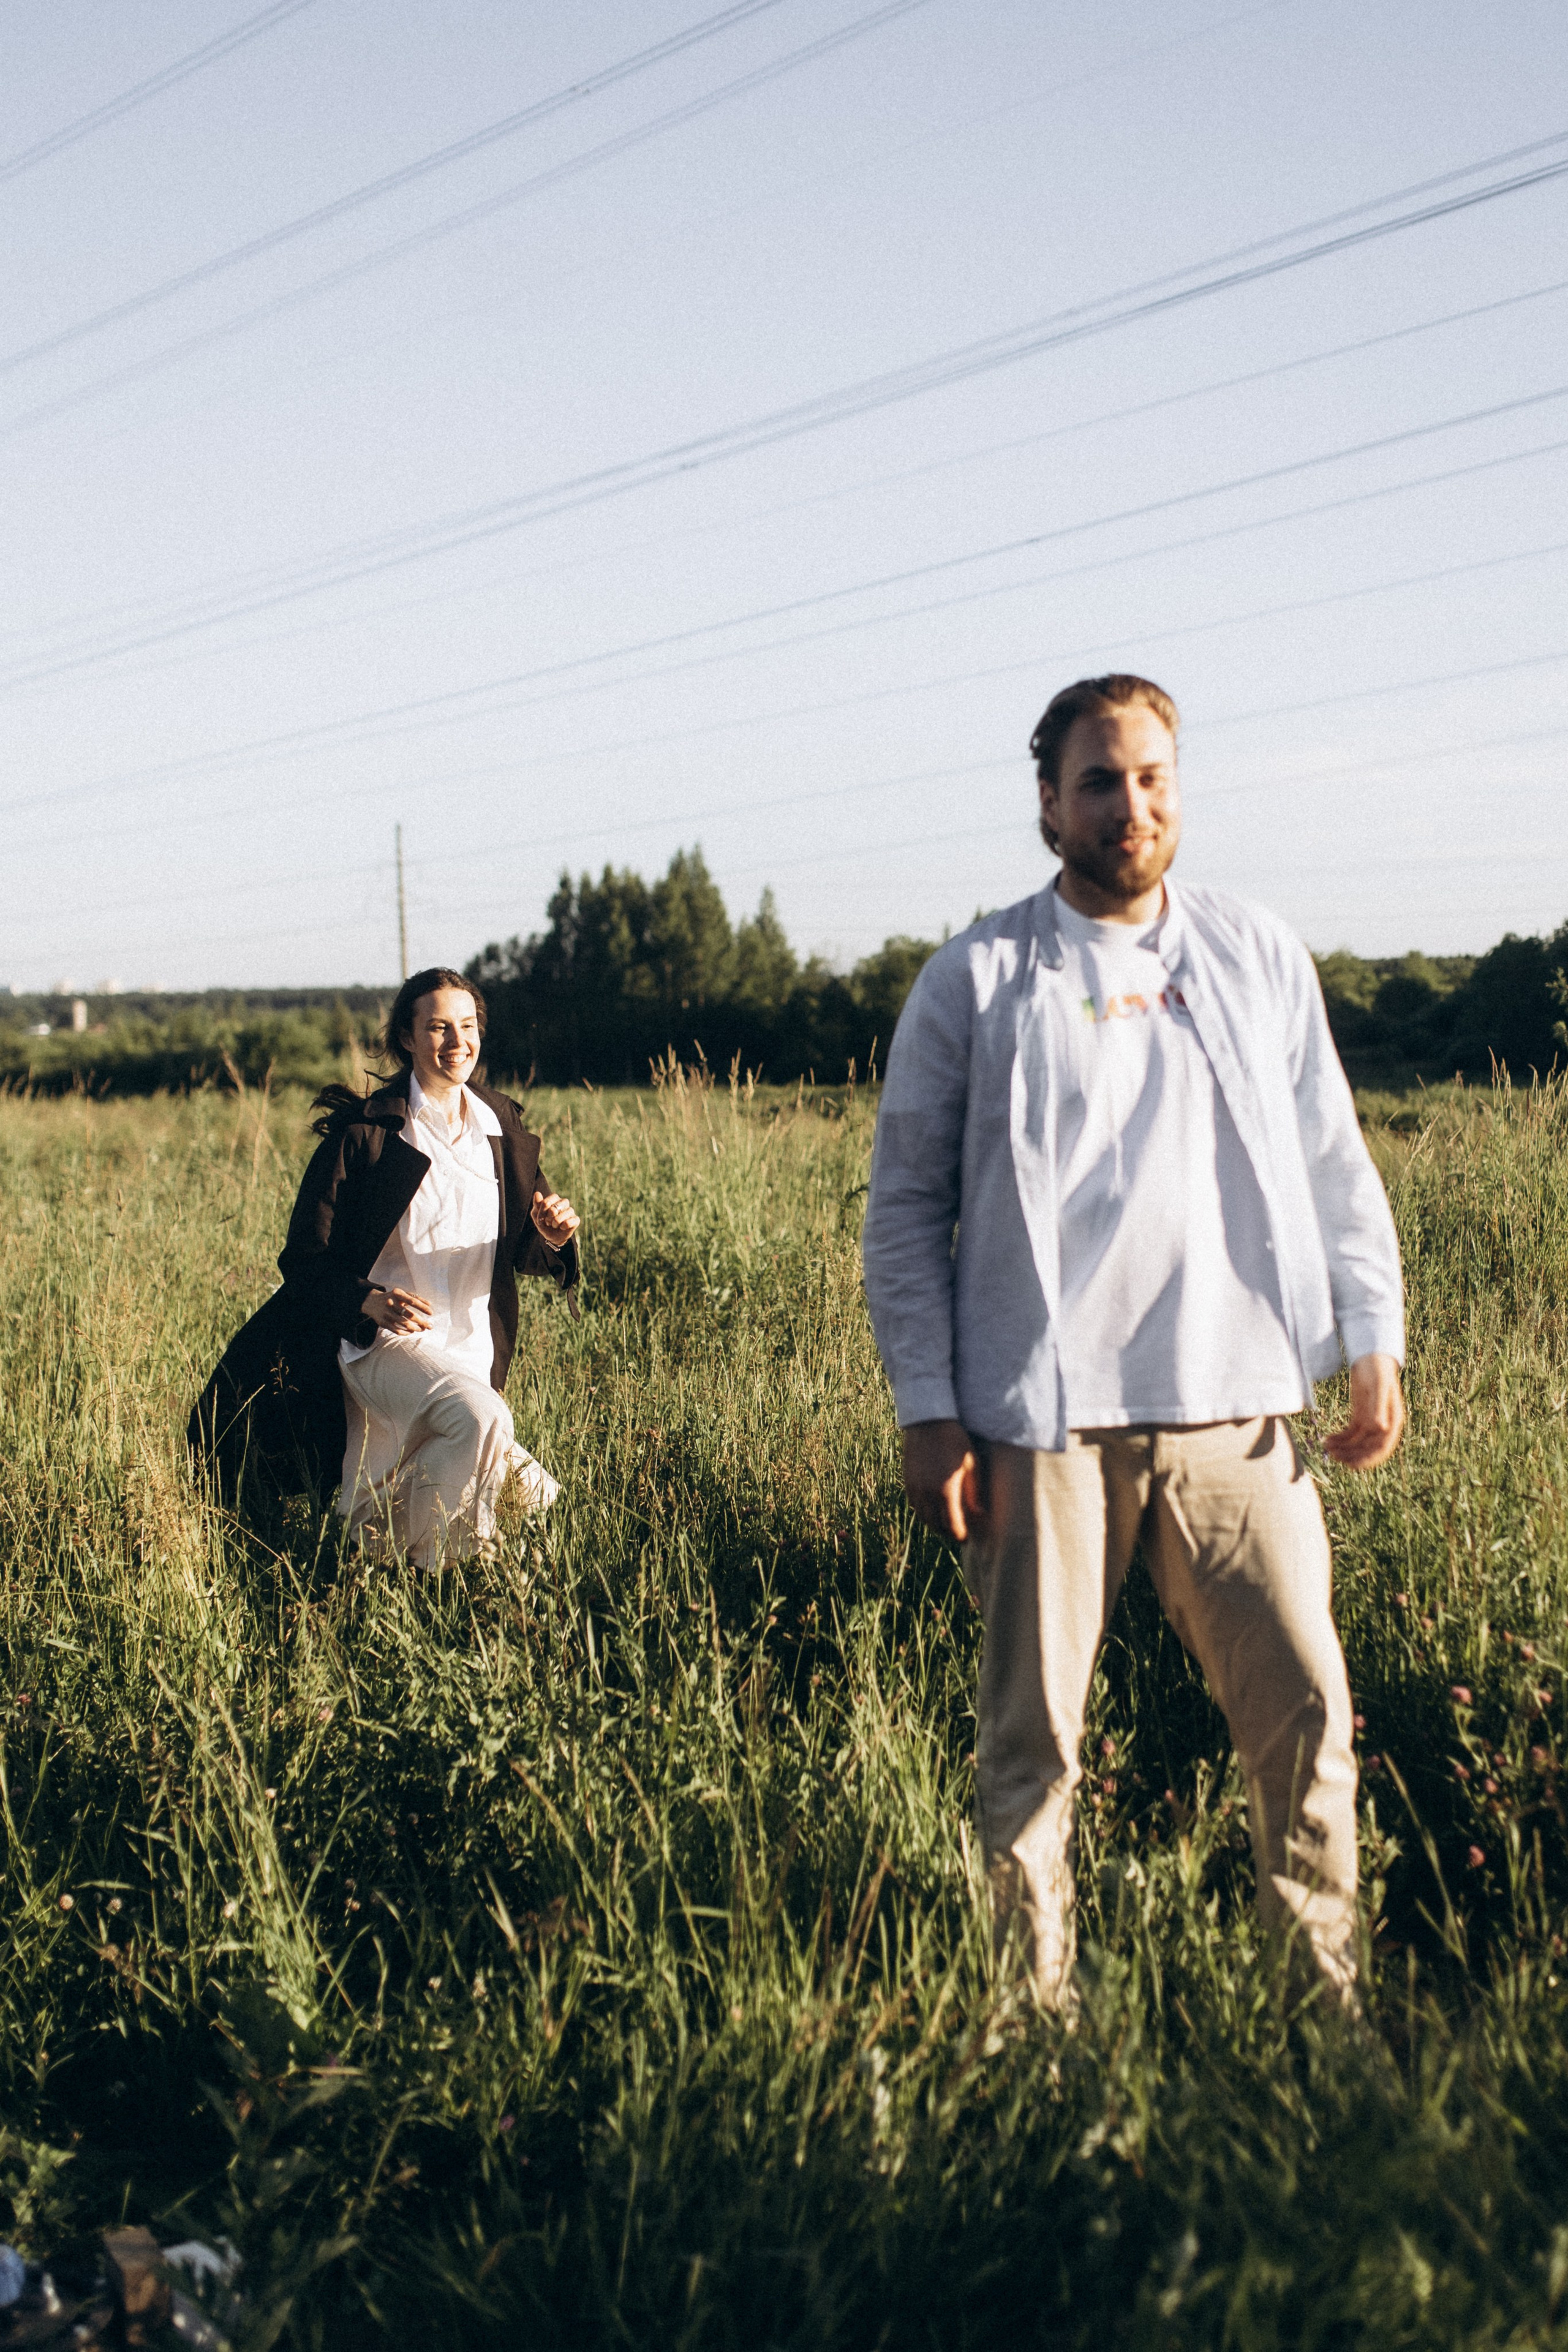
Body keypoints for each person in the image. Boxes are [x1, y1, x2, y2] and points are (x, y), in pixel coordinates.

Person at [861, 674, 1404, 2006]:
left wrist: (1370, 1335)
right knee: (1030, 1752)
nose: (1129, 805)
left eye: (1152, 776)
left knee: (1304, 1728)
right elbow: (903, 1213)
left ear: (1179, 789)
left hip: (1232, 1415)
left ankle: (1315, 2017)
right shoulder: (974, 980)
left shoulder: (1252, 952)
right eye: (1097, 781)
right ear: (1046, 806)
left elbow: (1332, 1155)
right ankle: (1030, 2036)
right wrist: (928, 1409)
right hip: (1038, 1427)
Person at [191, 967, 580, 1565]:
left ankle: (371, 1560)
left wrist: (551, 1236)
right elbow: (305, 1259)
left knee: (535, 1502)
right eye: (438, 1028)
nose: (457, 1043)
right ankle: (417, 1579)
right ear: (407, 1037)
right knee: (480, 1421)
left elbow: (526, 1248)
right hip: (385, 1348)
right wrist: (365, 1300)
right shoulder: (369, 1134)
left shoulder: (501, 1128)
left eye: (468, 1026)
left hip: (470, 1350)